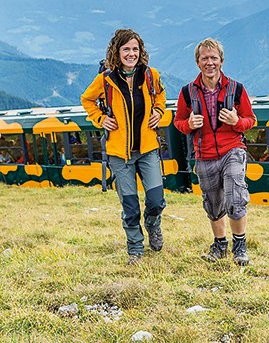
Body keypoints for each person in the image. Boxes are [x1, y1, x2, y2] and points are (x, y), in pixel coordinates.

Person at [80, 28, 167, 266]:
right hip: (119, 154)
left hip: (148, 149)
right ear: (117, 52)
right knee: (130, 206)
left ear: (141, 52)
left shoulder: (150, 75)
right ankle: (136, 249)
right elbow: (86, 99)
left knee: (157, 200)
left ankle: (152, 225)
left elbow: (161, 96)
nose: (131, 54)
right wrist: (100, 119)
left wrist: (158, 112)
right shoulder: (105, 80)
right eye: (126, 49)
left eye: (135, 49)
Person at [174, 38, 256, 266]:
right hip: (204, 154)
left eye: (214, 58)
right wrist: (189, 124)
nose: (210, 62)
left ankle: (240, 246)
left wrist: (236, 121)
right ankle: (220, 244)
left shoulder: (236, 89)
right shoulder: (188, 92)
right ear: (198, 63)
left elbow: (251, 120)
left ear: (221, 60)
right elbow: (178, 122)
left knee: (235, 197)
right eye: (205, 59)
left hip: (233, 149)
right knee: (212, 203)